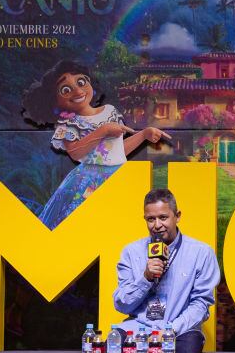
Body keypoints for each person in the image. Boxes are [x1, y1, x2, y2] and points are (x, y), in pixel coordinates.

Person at [99, 188, 221, 353]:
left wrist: (170, 330)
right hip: (139, 325)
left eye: (163, 217)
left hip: (181, 326)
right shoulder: (131, 253)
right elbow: (121, 304)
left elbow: (201, 304)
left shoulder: (201, 253)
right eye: (150, 219)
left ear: (177, 216)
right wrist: (145, 277)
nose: (157, 225)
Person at [22, 60, 171, 230]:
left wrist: (143, 135)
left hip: (117, 176)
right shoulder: (68, 125)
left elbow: (117, 151)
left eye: (81, 82)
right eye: (65, 90)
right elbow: (75, 153)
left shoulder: (109, 111)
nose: (77, 91)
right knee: (82, 223)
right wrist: (104, 130)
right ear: (54, 100)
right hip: (88, 180)